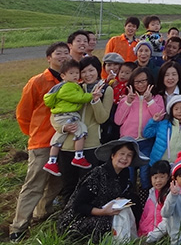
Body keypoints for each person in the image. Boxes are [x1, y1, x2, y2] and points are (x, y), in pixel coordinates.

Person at [10, 42, 72, 241]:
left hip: (64, 141)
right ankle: (18, 226)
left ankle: (42, 213)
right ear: (49, 58)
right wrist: (33, 134)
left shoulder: (72, 80)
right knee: (34, 183)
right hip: (42, 143)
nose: (63, 56)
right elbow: (22, 113)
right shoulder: (38, 82)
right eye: (58, 53)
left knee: (57, 182)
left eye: (65, 53)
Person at [56, 137, 146, 241]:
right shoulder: (97, 174)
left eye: (129, 155)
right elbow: (78, 205)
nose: (125, 158)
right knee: (108, 221)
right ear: (113, 155)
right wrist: (102, 212)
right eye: (122, 154)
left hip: (106, 212)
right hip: (78, 220)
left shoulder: (124, 176)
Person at [58, 57, 115, 199]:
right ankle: (68, 218)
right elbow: (57, 112)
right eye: (83, 71)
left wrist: (95, 100)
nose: (87, 75)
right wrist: (63, 127)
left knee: (87, 186)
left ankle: (84, 218)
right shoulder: (72, 88)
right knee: (68, 186)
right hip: (67, 144)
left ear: (98, 71)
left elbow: (102, 118)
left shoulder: (106, 90)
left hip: (91, 144)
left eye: (91, 70)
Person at [42, 58, 99, 176]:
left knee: (59, 137)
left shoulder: (67, 86)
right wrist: (91, 96)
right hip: (67, 115)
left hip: (61, 115)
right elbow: (78, 98)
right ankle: (79, 156)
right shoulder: (68, 87)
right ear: (63, 75)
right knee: (81, 130)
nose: (75, 76)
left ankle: (51, 161)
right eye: (71, 73)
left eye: (77, 73)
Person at [114, 67, 165, 187]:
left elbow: (159, 116)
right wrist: (128, 102)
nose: (140, 85)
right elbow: (118, 121)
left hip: (146, 141)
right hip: (128, 141)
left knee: (144, 174)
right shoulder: (127, 99)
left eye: (143, 81)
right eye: (137, 82)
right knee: (128, 174)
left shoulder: (157, 98)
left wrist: (149, 100)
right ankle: (129, 198)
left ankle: (145, 200)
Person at [143, 94, 181, 165]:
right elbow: (147, 134)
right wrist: (153, 121)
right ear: (171, 111)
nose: (179, 111)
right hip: (159, 162)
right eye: (176, 109)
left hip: (178, 163)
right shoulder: (163, 124)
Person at [139, 159, 170, 240]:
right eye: (155, 177)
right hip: (148, 235)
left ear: (168, 177)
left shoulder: (169, 195)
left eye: (162, 177)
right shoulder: (151, 193)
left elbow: (167, 221)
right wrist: (141, 233)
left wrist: (152, 237)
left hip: (162, 236)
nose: (158, 180)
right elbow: (144, 216)